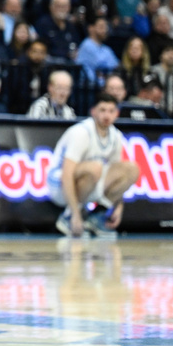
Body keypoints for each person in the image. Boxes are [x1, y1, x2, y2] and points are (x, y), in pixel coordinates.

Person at [47, 92, 141, 238]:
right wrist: (75, 214)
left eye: (111, 111)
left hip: (89, 181)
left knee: (131, 169)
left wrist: (119, 207)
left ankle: (96, 217)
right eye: (102, 110)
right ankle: (70, 215)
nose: (106, 115)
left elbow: (115, 172)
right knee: (95, 168)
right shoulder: (82, 132)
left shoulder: (116, 136)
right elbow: (66, 173)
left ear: (117, 114)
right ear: (93, 112)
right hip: (58, 184)